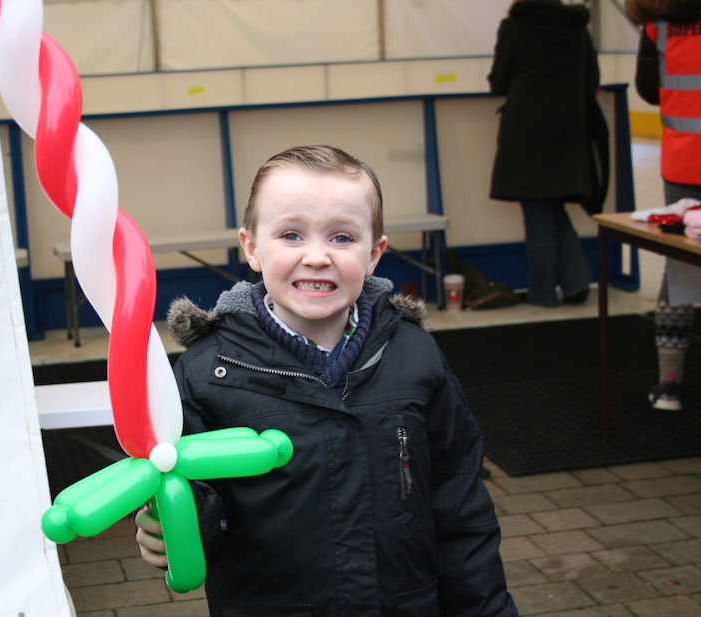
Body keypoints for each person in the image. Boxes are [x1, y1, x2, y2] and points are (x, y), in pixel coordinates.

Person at [134, 145, 518, 617]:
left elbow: (461, 510)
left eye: (341, 237)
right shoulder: (206, 374)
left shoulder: (415, 357)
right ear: (252, 247)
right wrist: (174, 526)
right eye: (291, 235)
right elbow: (199, 507)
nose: (316, 257)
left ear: (374, 253)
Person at [488, 0, 600, 307]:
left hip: (527, 130)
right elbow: (592, 78)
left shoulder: (514, 26)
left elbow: (499, 80)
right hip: (568, 129)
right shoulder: (576, 26)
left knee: (537, 210)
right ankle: (577, 282)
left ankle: (543, 295)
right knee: (552, 206)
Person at [626, 0, 701, 411]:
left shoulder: (659, 26)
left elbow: (648, 88)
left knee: (681, 269)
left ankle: (669, 386)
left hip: (684, 163)